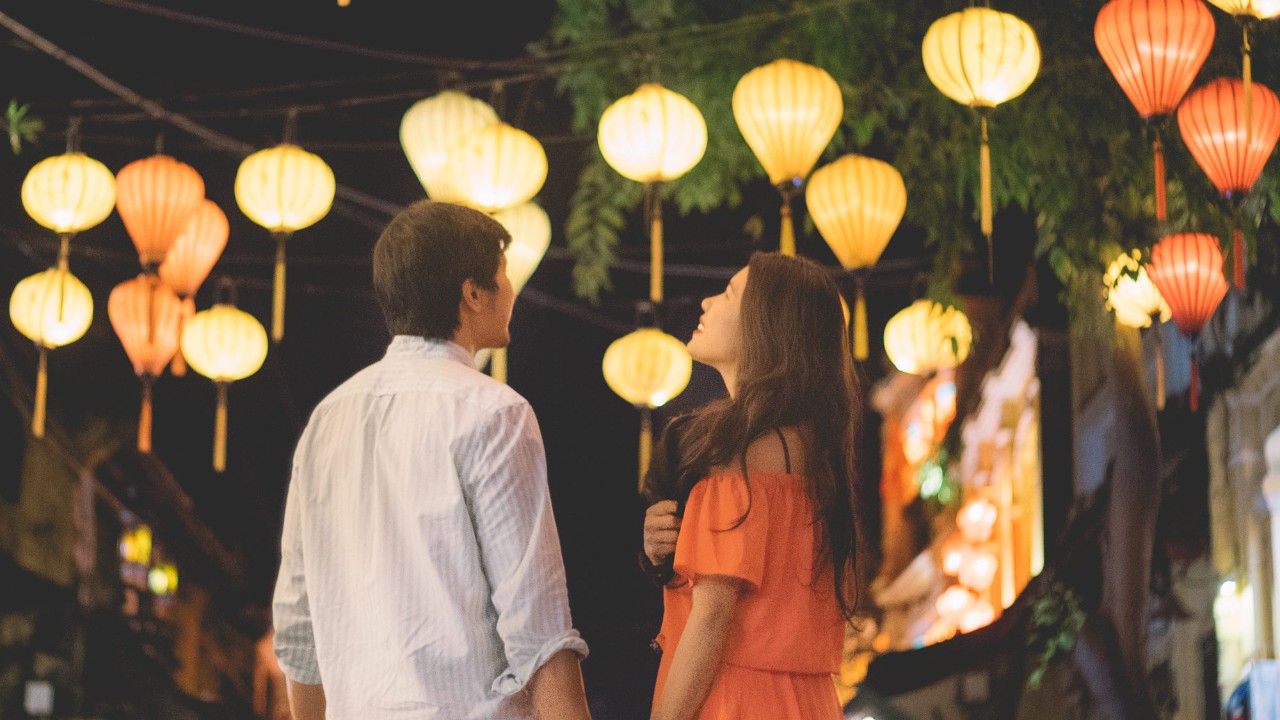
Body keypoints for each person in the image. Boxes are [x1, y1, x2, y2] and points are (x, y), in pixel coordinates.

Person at [271, 200, 591, 720]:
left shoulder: (326, 419)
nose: (511, 289)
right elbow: (537, 629)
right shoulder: (495, 412)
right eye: (503, 275)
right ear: (472, 295)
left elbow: (298, 627)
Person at [641, 251, 862, 720]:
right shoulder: (813, 451)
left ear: (768, 326)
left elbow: (712, 617)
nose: (706, 301)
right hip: (807, 703)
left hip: (733, 700)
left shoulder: (739, 451)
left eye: (729, 294)